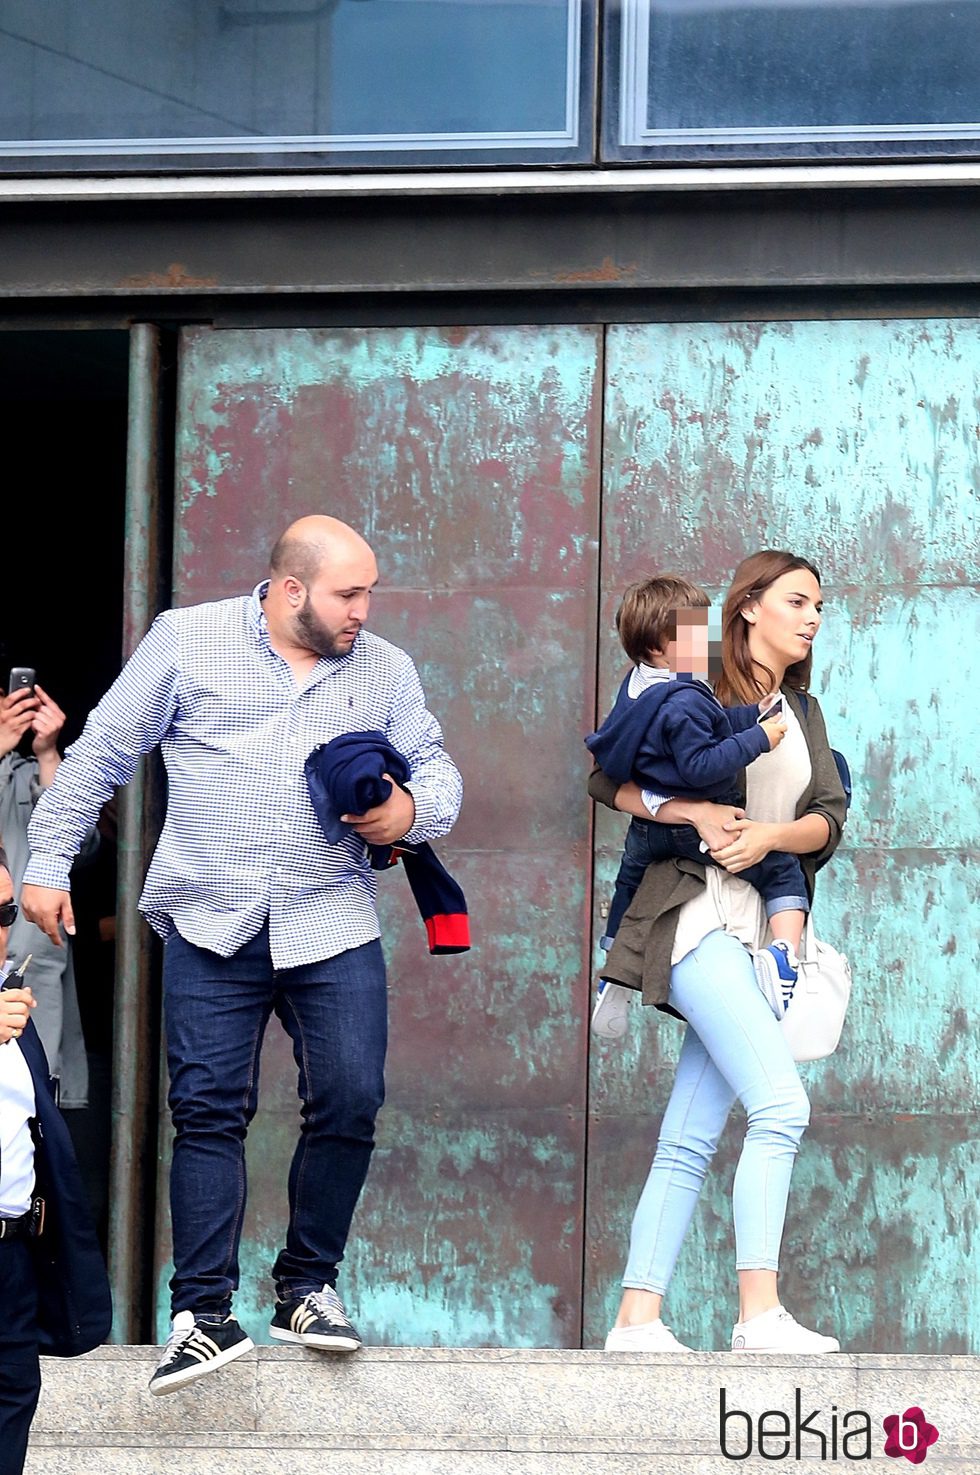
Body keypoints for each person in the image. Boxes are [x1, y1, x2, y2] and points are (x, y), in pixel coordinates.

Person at [20, 515, 463, 1395]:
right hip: (208, 916)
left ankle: (307, 1287)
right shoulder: (188, 641)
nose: (363, 611)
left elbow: (438, 770)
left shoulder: (383, 670)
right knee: (209, 1110)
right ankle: (203, 1315)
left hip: (330, 919)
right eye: (349, 594)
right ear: (292, 589)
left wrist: (411, 815)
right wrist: (47, 861)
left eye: (368, 592)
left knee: (349, 1097)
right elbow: (104, 751)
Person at [590, 550, 846, 1355]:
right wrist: (693, 810)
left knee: (690, 1133)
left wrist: (774, 840)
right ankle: (759, 1313)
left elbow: (829, 819)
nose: (811, 617)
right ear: (748, 608)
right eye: (797, 601)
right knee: (782, 1104)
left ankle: (636, 1320)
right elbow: (605, 780)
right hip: (691, 915)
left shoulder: (800, 709)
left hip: (757, 928)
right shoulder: (698, 686)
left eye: (818, 606)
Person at [586, 574, 808, 1027]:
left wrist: (748, 713)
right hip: (690, 831)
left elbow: (712, 720)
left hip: (647, 831)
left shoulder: (638, 689)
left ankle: (613, 967)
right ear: (658, 648)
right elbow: (702, 763)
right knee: (779, 869)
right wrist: (758, 737)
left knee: (627, 882)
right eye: (696, 633)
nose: (710, 641)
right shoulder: (683, 698)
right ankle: (784, 956)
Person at [0, 848, 112, 1475]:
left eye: (5, 911)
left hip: (11, 1251)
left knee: (15, 1391)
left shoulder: (15, 1006)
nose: (0, 928)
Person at [0, 681, 89, 1107]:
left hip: (28, 958)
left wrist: (49, 753)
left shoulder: (27, 773)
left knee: (32, 1096)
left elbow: (81, 847)